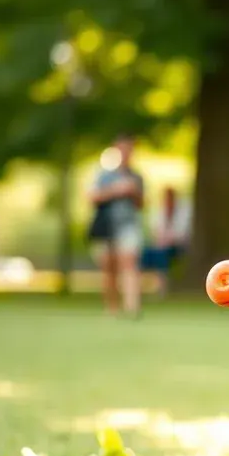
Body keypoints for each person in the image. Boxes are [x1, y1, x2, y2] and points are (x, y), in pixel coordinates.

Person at [87, 134, 145, 318]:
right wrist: (116, 190)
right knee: (109, 269)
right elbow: (92, 197)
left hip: (128, 225)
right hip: (106, 226)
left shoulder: (136, 177)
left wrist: (133, 192)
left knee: (129, 263)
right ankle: (111, 308)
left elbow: (141, 204)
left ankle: (132, 307)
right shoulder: (104, 176)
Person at [140, 186, 191, 297]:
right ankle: (142, 287)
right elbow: (155, 231)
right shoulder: (159, 212)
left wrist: (167, 239)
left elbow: (181, 234)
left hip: (178, 246)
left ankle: (162, 289)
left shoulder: (183, 212)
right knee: (145, 254)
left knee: (162, 254)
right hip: (160, 244)